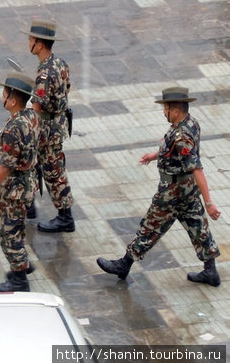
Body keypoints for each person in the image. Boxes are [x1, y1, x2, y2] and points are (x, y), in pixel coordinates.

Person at [97, 87, 221, 287]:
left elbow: (196, 168)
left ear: (175, 110)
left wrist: (209, 203)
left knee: (150, 226)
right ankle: (211, 271)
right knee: (198, 227)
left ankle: (124, 264)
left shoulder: (182, 135)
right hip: (187, 190)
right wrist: (155, 155)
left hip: (173, 193)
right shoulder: (190, 123)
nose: (164, 112)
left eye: (166, 108)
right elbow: (174, 150)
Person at [0, 71, 40, 292]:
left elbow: (6, 165)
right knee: (15, 225)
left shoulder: (14, 128)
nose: (2, 96)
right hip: (28, 183)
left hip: (15, 188)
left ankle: (19, 276)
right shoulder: (31, 117)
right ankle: (22, 261)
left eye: (4, 94)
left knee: (5, 227)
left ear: (12, 100)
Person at [22, 19, 74, 232]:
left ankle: (65, 217)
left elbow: (37, 107)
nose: (28, 43)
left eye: (31, 39)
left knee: (53, 171)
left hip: (48, 129)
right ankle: (30, 206)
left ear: (39, 44)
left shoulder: (45, 74)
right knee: (37, 165)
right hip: (58, 122)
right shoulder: (59, 63)